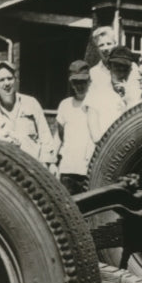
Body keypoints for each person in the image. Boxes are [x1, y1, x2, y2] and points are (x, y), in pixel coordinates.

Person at [0, 60, 56, 169]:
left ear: (15, 80)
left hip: (35, 170)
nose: (6, 83)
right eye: (1, 80)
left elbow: (46, 137)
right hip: (9, 175)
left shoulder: (31, 103)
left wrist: (50, 164)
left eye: (9, 78)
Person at [86, 45, 142, 144]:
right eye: (117, 66)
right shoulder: (96, 93)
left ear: (130, 70)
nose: (121, 72)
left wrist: (129, 100)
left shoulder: (137, 95)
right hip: (104, 150)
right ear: (109, 66)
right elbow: (95, 135)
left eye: (124, 67)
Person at [53, 61, 94, 193]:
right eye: (76, 82)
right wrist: (53, 162)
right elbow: (59, 136)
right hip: (68, 169)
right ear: (71, 83)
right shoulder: (65, 105)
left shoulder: (96, 104)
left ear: (89, 81)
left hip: (89, 169)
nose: (80, 86)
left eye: (83, 82)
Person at [88, 26, 118, 91]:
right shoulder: (93, 73)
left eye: (109, 44)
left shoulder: (126, 67)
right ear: (97, 49)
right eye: (101, 45)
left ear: (115, 45)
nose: (106, 48)